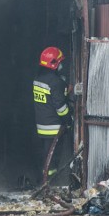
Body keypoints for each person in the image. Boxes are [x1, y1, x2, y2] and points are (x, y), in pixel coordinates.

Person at [32, 46, 72, 185]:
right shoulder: (56, 83)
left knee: (45, 156)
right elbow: (60, 107)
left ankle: (43, 182)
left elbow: (48, 99)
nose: (62, 65)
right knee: (53, 160)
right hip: (54, 128)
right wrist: (69, 120)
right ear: (55, 64)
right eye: (60, 62)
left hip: (42, 126)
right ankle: (50, 185)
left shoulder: (38, 79)